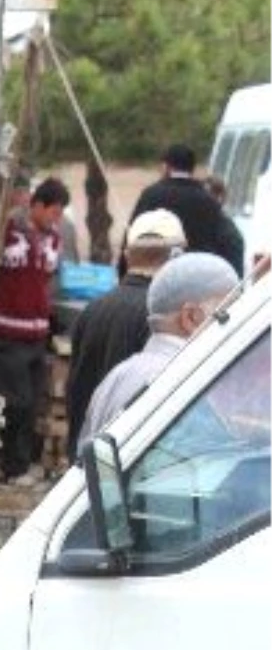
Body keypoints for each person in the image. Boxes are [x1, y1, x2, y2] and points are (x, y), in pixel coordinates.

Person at [65, 208, 186, 458]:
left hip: (85, 459)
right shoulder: (162, 320)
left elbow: (75, 390)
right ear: (176, 258)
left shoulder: (92, 310)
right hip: (126, 464)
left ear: (127, 256)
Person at [81, 251, 239, 441]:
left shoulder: (118, 376)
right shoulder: (185, 386)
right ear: (191, 317)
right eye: (229, 310)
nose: (236, 322)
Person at [0, 175, 70, 485]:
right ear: (37, 205)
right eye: (53, 211)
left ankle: (21, 464)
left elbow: (48, 281)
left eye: (60, 212)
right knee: (15, 401)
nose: (56, 218)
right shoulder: (7, 232)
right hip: (9, 331)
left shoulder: (54, 240)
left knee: (33, 403)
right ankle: (11, 466)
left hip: (38, 332)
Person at [126, 144, 244, 273]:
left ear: (166, 167)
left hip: (157, 273)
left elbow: (133, 236)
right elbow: (227, 241)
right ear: (192, 168)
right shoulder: (207, 199)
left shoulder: (151, 195)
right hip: (198, 275)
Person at [203, 172, 247, 277]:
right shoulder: (198, 224)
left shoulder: (228, 232)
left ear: (220, 198)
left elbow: (236, 274)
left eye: (207, 195)